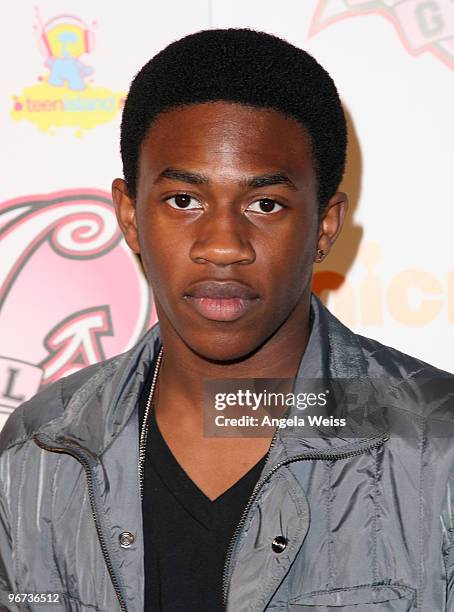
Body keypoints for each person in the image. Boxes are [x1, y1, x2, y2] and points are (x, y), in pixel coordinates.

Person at [0, 28, 453, 612]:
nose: (222, 245)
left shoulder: (435, 453)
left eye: (265, 204)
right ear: (130, 216)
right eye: (183, 201)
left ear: (325, 226)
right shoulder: (39, 454)